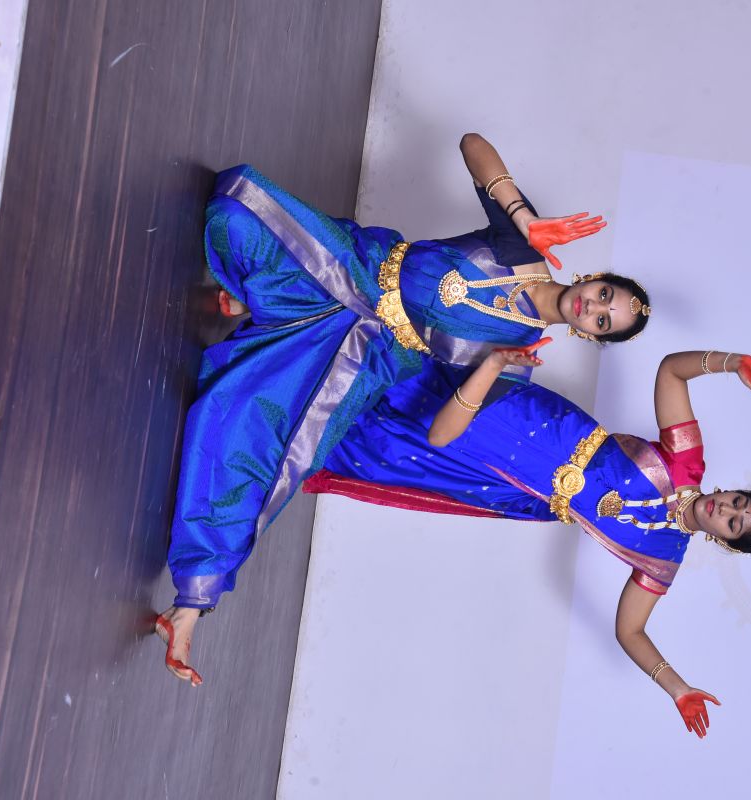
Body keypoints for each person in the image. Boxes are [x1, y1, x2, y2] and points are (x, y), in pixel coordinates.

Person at [155, 134, 652, 684]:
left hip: (366, 355)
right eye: (606, 295)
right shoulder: (524, 249)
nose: (593, 307)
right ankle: (265, 302)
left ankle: (192, 602)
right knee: (234, 204)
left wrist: (490, 366)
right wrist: (522, 215)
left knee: (270, 441)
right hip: (354, 267)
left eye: (602, 321)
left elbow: (440, 437)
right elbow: (472, 145)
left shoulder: (516, 361)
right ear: (594, 278)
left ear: (590, 336)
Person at [300, 348, 751, 737]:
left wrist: (677, 689)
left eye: (734, 524)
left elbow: (630, 631)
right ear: (732, 490)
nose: (725, 511)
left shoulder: (662, 559)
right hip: (544, 427)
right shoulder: (686, 461)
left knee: (402, 450)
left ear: (725, 542)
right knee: (423, 391)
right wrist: (732, 363)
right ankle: (316, 346)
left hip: (527, 488)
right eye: (737, 502)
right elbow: (671, 372)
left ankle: (292, 416)